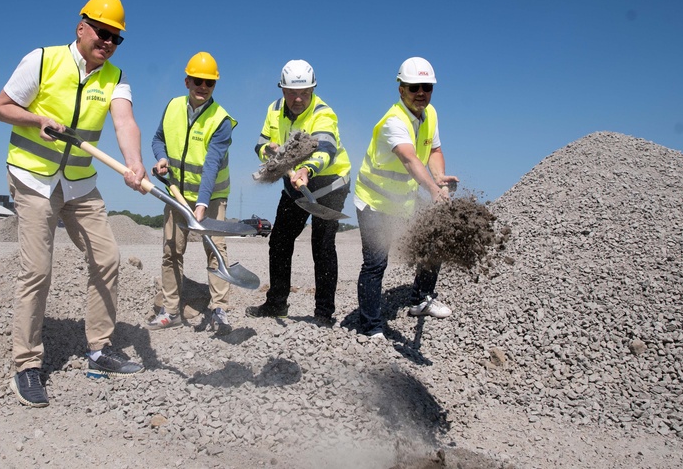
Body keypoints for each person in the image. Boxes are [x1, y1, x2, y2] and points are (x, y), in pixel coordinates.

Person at [0, 0, 146, 408]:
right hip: (33, 178)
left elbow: (125, 120)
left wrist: (134, 164)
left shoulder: (115, 76)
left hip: (79, 183)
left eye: (116, 37)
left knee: (106, 257)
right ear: (82, 27)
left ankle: (98, 351)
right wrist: (37, 118)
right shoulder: (42, 60)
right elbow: (0, 107)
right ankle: (26, 365)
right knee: (38, 269)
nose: (108, 41)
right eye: (102, 31)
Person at [354, 57, 460, 339]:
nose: (421, 93)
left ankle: (420, 300)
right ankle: (371, 326)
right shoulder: (394, 121)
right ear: (401, 89)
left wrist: (439, 178)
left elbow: (434, 151)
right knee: (376, 262)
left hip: (404, 201)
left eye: (427, 87)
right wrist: (434, 191)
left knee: (434, 241)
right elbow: (410, 159)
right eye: (414, 87)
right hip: (374, 202)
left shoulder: (431, 114)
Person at [246, 60, 351, 326]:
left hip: (329, 183)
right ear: (282, 90)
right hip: (293, 185)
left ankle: (324, 313)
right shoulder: (274, 110)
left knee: (322, 246)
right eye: (292, 92)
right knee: (280, 241)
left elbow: (325, 149)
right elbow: (259, 144)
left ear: (313, 89)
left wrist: (306, 170)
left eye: (304, 92)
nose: (298, 98)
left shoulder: (324, 113)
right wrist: (269, 150)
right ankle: (276, 304)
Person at [146, 52, 238, 335]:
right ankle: (171, 311)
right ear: (187, 81)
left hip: (211, 197)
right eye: (198, 81)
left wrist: (201, 202)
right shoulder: (173, 106)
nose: (203, 87)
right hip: (176, 192)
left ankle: (219, 310)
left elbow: (211, 164)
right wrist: (161, 158)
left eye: (209, 83)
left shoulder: (221, 120)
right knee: (172, 250)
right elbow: (158, 138)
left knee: (215, 250)